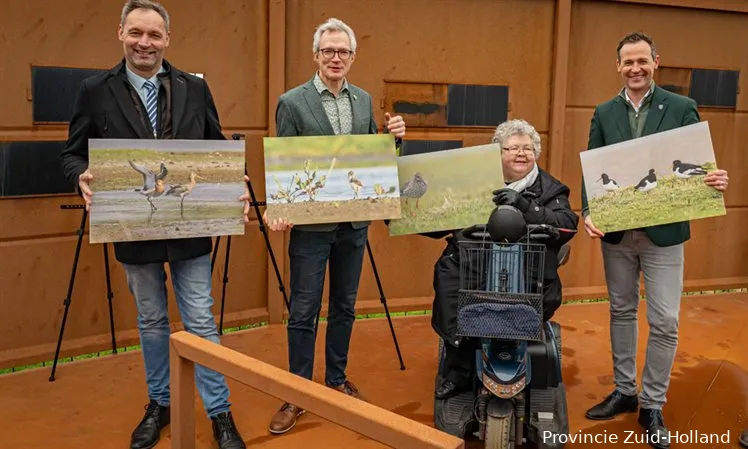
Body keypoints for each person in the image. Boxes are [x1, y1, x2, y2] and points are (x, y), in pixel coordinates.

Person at [60, 1, 248, 448]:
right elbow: (72, 153)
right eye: (136, 33)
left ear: (168, 39)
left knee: (201, 320)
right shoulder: (94, 89)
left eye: (154, 35)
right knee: (151, 320)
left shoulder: (194, 89)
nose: (145, 43)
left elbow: (215, 147)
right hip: (133, 231)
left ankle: (219, 412)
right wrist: (80, 178)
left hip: (190, 232)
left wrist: (231, 179)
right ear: (121, 32)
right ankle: (159, 403)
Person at [581, 32, 729, 449]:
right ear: (618, 66)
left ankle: (652, 404)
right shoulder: (604, 111)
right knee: (621, 310)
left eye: (642, 60)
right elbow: (593, 166)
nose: (635, 68)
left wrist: (713, 179)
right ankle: (625, 391)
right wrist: (589, 211)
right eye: (628, 62)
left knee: (665, 320)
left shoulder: (681, 108)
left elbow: (699, 165)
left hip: (665, 237)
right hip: (619, 233)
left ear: (656, 62)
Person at [262, 17, 406, 435]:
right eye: (328, 50)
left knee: (344, 306)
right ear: (316, 55)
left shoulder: (363, 101)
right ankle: (298, 391)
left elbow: (373, 156)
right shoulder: (291, 102)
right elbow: (284, 163)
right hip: (310, 227)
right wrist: (278, 206)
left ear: (353, 57)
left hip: (354, 224)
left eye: (343, 51)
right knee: (303, 310)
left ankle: (336, 379)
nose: (336, 57)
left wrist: (395, 139)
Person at [431, 118, 579, 400]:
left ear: (536, 153)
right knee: (451, 283)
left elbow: (566, 225)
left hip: (527, 267)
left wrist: (525, 205)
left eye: (527, 148)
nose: (520, 153)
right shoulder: (474, 183)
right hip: (475, 264)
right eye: (511, 148)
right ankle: (458, 369)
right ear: (497, 154)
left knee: (539, 295)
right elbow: (438, 219)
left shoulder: (550, 188)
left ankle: (526, 360)